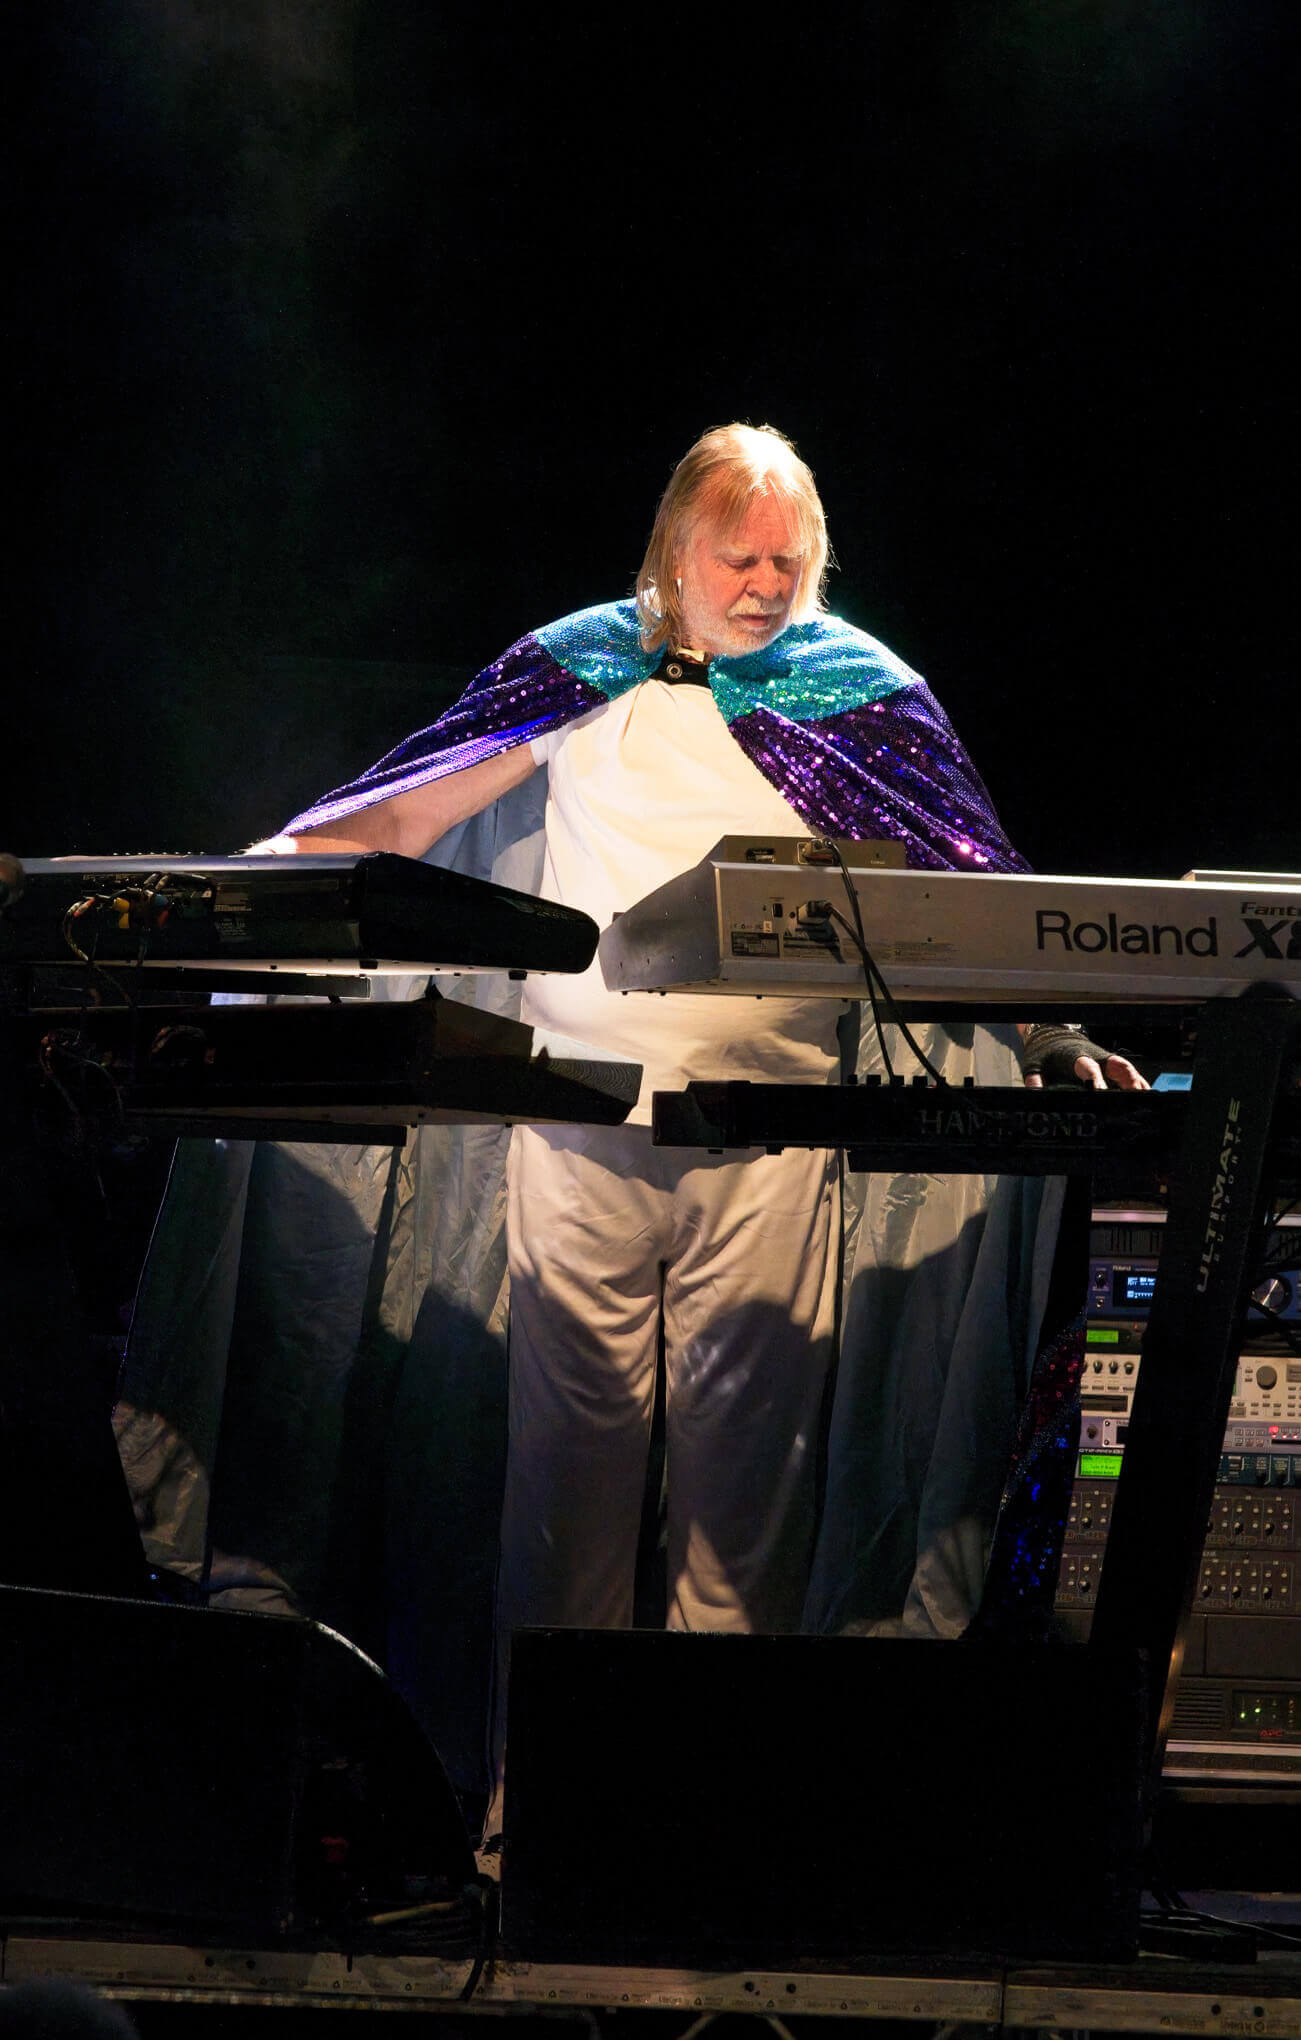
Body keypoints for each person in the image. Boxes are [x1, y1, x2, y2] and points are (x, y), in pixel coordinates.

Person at [270, 423, 1144, 1836]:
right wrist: (229, 908)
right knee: (568, 1472)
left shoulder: (858, 688)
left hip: (772, 1131)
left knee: (748, 1482)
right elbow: (389, 820)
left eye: (785, 562)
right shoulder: (578, 660)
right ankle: (537, 1809)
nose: (758, 585)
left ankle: (700, 1815)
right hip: (584, 1118)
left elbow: (970, 881)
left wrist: (1050, 1035)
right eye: (733, 557)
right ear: (670, 553)